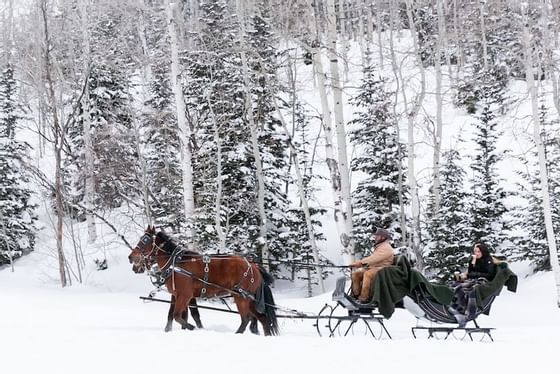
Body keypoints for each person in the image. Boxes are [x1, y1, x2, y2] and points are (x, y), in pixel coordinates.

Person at [349, 227, 395, 304]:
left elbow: (374, 259)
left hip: (383, 269)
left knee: (368, 274)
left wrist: (360, 263)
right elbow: (372, 259)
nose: (375, 237)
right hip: (375, 268)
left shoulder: (386, 247)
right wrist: (360, 264)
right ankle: (355, 295)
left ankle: (364, 298)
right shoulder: (380, 246)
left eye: (377, 235)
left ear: (383, 237)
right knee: (356, 274)